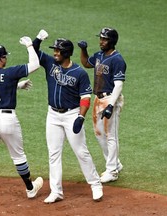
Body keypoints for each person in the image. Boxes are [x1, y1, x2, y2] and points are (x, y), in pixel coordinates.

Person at [32, 30, 103, 203]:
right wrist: (38, 39)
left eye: (57, 50)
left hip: (71, 114)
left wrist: (80, 117)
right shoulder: (50, 63)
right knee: (53, 153)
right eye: (54, 50)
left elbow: (85, 97)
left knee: (81, 151)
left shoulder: (79, 73)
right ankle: (56, 191)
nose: (54, 53)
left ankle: (95, 184)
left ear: (66, 53)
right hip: (53, 115)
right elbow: (34, 52)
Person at [0, 36, 44, 209]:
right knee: (18, 156)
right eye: (5, 56)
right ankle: (30, 188)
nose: (6, 58)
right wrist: (29, 45)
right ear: (1, 59)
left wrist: (17, 86)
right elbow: (34, 65)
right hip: (7, 120)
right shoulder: (9, 72)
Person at [78, 27, 127, 183]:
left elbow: (118, 85)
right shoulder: (99, 55)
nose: (101, 41)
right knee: (100, 134)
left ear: (111, 41)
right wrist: (84, 50)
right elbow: (86, 63)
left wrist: (111, 105)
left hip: (110, 98)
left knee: (111, 135)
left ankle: (112, 171)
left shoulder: (117, 59)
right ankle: (115, 164)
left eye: (104, 39)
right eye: (100, 38)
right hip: (98, 99)